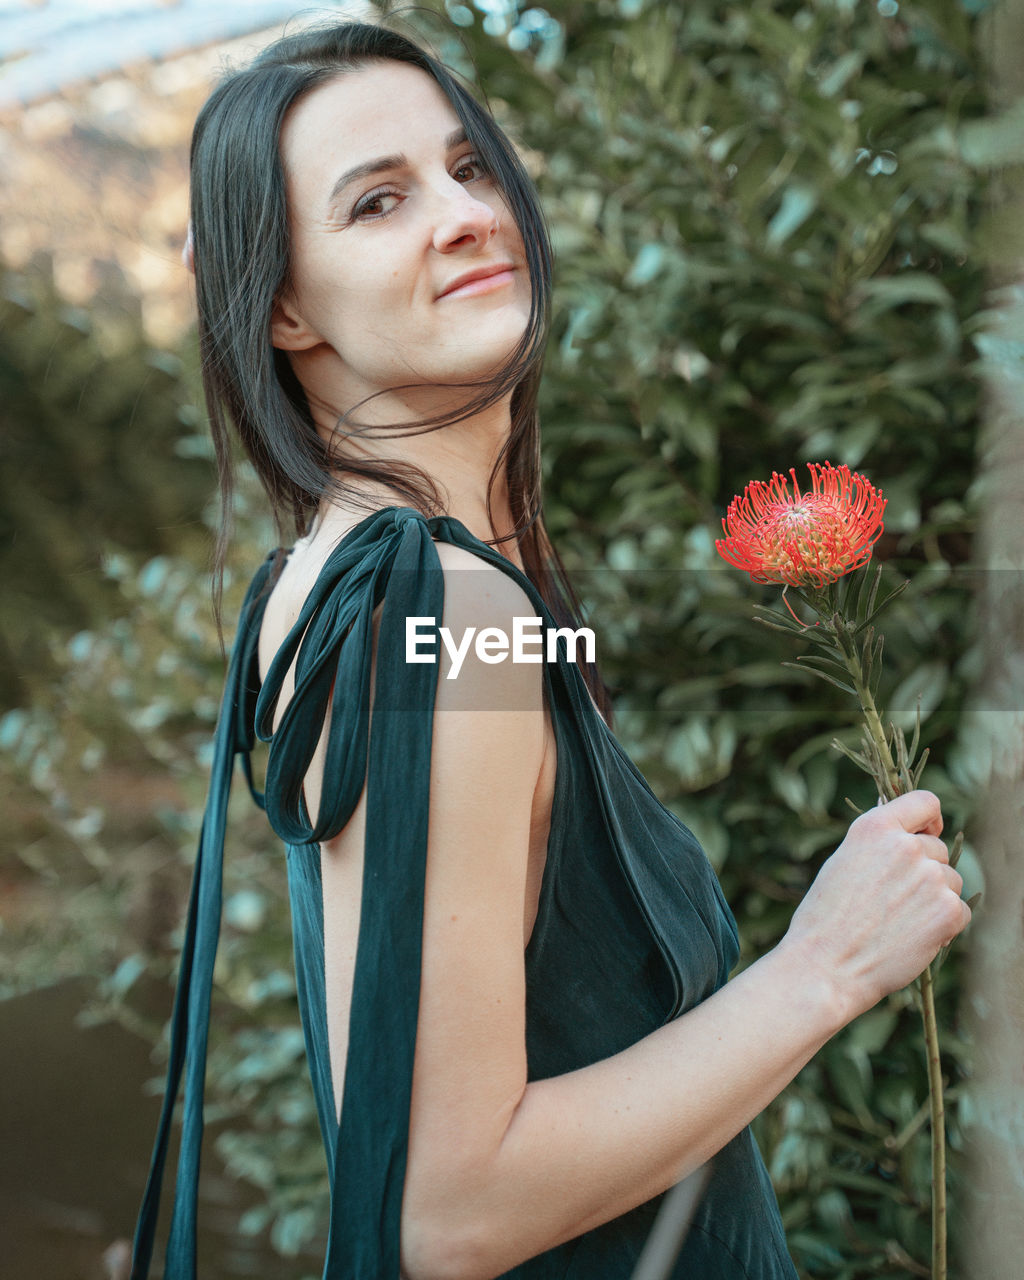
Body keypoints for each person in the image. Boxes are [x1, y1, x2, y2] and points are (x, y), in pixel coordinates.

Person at [130, 19, 971, 1280]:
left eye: (472, 169)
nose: (465, 214)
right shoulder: (441, 609)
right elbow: (450, 1206)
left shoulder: (354, 575)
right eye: (376, 202)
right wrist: (825, 967)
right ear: (284, 306)